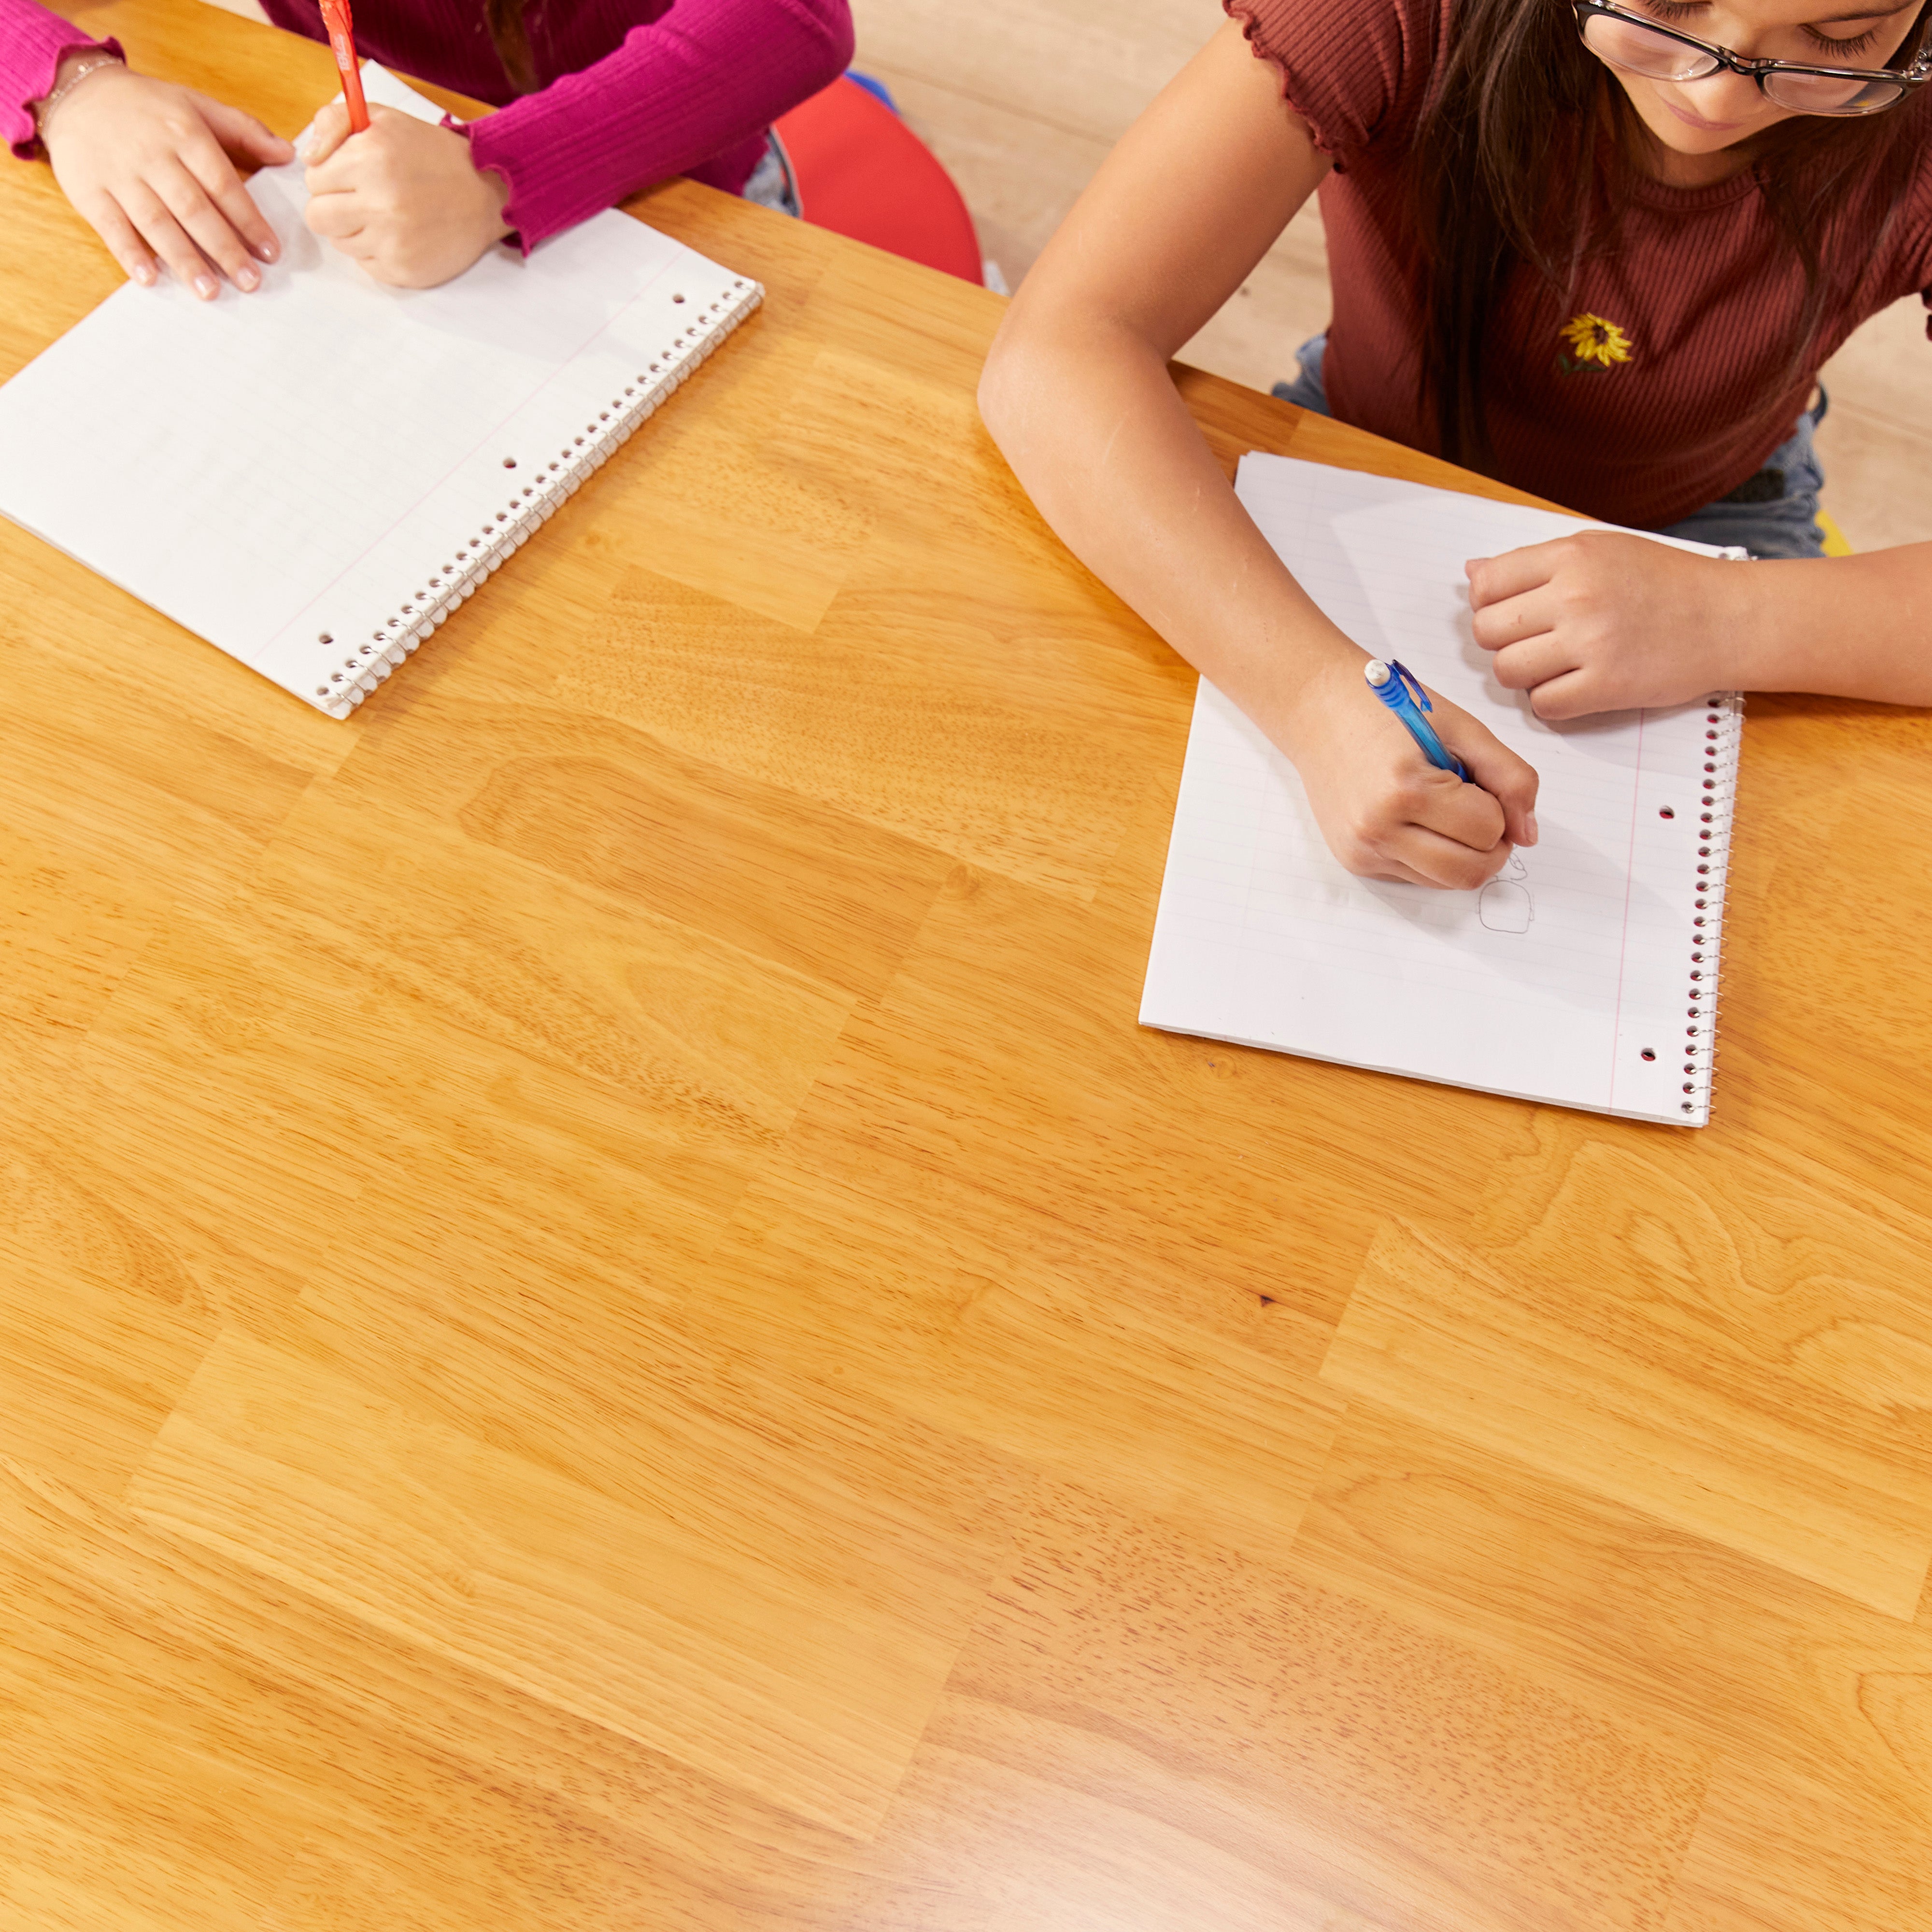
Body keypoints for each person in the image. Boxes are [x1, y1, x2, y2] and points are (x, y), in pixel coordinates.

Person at [979, 0, 1932, 890]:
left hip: (1711, 512)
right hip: (1362, 444)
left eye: (1840, 42)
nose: (1713, 93)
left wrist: (1728, 619)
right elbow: (1059, 350)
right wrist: (1309, 697)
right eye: (1667, 2)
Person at [0, 0, 848, 294]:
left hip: (680, 186)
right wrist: (68, 85)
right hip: (385, 168)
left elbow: (799, 20)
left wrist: (496, 176)